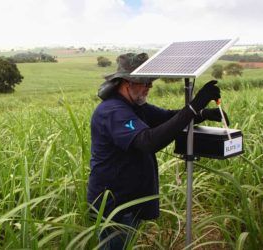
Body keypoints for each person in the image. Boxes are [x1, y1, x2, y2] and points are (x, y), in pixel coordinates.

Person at [87, 53, 229, 249]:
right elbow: (148, 142)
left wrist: (202, 113)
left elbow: (169, 118)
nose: (150, 86)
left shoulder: (136, 105)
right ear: (127, 82)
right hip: (114, 204)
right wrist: (195, 106)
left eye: (151, 81)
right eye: (145, 81)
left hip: (130, 200)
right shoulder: (113, 111)